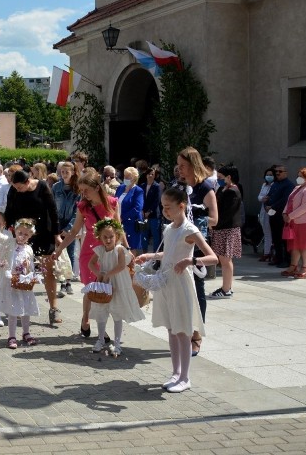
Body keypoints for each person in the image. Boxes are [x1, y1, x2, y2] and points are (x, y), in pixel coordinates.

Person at [134, 186, 217, 393]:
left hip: (180, 283)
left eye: (168, 207)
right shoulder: (169, 228)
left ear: (182, 206)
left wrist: (191, 260)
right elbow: (168, 253)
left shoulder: (190, 230)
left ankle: (185, 377)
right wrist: (151, 255)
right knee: (171, 329)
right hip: (166, 281)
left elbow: (212, 257)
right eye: (163, 207)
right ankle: (175, 372)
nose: (165, 211)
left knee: (182, 330)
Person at [54, 169, 120, 339]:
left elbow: (119, 230)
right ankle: (91, 323)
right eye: (81, 191)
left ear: (97, 187)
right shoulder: (83, 206)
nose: (83, 194)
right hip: (89, 253)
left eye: (86, 190)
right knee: (92, 289)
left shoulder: (112, 203)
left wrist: (124, 251)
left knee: (105, 290)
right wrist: (60, 248)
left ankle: (89, 321)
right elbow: (75, 230)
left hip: (108, 252)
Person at [4, 168, 61, 326]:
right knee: (23, 271)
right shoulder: (13, 190)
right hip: (23, 235)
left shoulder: (42, 187)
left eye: (20, 188)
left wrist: (56, 234)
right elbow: (9, 211)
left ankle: (53, 309)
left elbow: (53, 210)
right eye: (15, 188)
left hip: (44, 234)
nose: (18, 190)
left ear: (28, 182)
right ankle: (21, 310)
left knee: (48, 270)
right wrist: (8, 227)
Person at [176, 147, 218, 356]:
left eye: (183, 166)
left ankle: (196, 335)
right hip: (178, 242)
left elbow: (215, 219)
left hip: (197, 245)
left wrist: (195, 219)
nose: (180, 169)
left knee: (197, 288)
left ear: (193, 165)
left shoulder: (206, 187)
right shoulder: (180, 187)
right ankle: (181, 330)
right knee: (179, 288)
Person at [86, 218, 145, 356]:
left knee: (117, 313)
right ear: (99, 237)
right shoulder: (100, 249)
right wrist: (99, 273)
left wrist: (108, 275)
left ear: (117, 236)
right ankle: (100, 339)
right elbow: (91, 264)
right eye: (105, 237)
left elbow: (120, 266)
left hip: (118, 283)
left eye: (111, 237)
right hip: (105, 284)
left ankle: (117, 343)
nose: (108, 240)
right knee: (101, 311)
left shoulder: (119, 249)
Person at [0, 218, 42, 349]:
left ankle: (26, 332)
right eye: (20, 233)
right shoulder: (10, 243)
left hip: (24, 283)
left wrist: (30, 273)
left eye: (26, 234)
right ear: (15, 231)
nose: (22, 236)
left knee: (26, 309)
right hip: (11, 282)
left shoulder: (29, 249)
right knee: (13, 310)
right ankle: (11, 336)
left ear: (30, 235)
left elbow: (30, 264)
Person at [209, 165, 243, 298]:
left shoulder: (233, 191)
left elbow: (227, 213)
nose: (218, 180)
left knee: (225, 259)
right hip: (222, 229)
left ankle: (226, 289)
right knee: (223, 259)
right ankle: (226, 287)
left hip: (227, 229)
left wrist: (214, 224)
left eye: (221, 177)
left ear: (229, 177)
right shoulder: (224, 189)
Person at [281, 168, 306, 279]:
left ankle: (305, 268)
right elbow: (289, 202)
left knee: (305, 245)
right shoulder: (297, 188)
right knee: (295, 245)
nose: (298, 178)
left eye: (301, 176)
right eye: (298, 175)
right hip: (294, 221)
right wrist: (284, 213)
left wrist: (290, 216)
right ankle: (293, 266)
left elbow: (305, 207)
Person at [53, 161, 80, 297]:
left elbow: (78, 211)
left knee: (70, 252)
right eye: (62, 172)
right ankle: (62, 281)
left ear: (73, 172)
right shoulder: (56, 187)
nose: (63, 174)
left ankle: (68, 281)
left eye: (66, 172)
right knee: (59, 253)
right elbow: (52, 207)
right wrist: (56, 227)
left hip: (71, 224)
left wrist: (69, 227)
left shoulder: (78, 189)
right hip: (58, 223)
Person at [266, 166, 294, 266]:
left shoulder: (289, 185)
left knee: (284, 239)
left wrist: (272, 206)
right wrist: (267, 205)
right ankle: (278, 258)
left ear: (285, 173)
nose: (277, 173)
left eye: (280, 171)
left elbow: (286, 200)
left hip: (282, 214)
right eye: (276, 172)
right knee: (275, 237)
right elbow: (269, 196)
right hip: (272, 213)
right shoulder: (275, 184)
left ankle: (286, 260)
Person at [115, 166, 145, 254]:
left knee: (131, 248)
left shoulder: (138, 191)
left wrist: (123, 217)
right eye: (125, 176)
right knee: (119, 246)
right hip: (118, 221)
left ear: (134, 178)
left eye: (128, 177)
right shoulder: (120, 188)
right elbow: (114, 201)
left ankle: (131, 266)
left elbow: (138, 208)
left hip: (131, 223)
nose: (126, 178)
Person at [257, 167, 276, 262]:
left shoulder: (275, 185)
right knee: (266, 232)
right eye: (267, 175)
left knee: (270, 232)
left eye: (271, 175)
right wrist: (263, 198)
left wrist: (267, 199)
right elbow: (259, 197)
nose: (269, 176)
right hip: (263, 210)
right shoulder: (264, 185)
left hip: (271, 210)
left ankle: (269, 253)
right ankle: (266, 252)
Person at [143, 166, 163, 252]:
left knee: (155, 236)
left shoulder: (157, 186)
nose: (150, 175)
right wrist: (142, 211)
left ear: (155, 176)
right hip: (143, 214)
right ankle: (144, 255)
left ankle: (155, 256)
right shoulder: (142, 186)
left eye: (152, 174)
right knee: (144, 235)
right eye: (149, 174)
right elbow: (140, 199)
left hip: (154, 214)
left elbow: (157, 200)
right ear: (146, 175)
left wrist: (149, 211)